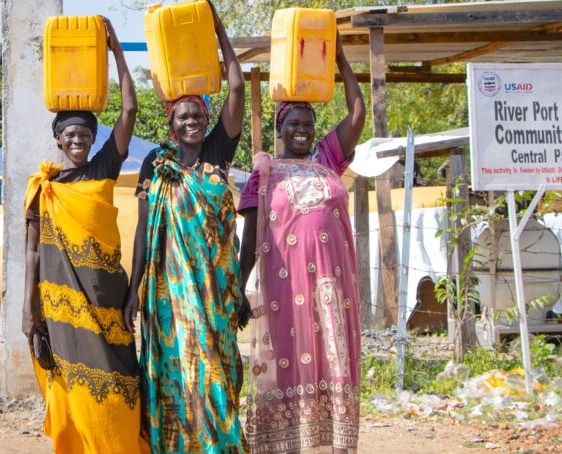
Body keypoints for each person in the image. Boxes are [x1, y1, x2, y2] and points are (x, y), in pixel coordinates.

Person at [123, 1, 249, 452]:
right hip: (166, 300)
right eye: (184, 116)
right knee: (176, 378)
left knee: (215, 379)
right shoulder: (155, 166)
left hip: (215, 295)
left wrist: (218, 29)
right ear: (172, 125)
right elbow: (141, 232)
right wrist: (134, 290)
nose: (193, 121)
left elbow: (235, 89)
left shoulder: (218, 156)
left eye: (198, 114)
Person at [237, 30, 366, 453]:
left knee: (333, 364)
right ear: (280, 128)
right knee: (289, 369)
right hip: (285, 289)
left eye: (309, 125)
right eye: (294, 124)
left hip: (332, 292)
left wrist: (341, 61)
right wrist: (238, 287)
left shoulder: (326, 158)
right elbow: (250, 235)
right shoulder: (264, 172)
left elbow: (357, 113)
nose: (303, 131)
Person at [22, 18, 143, 454]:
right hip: (61, 308)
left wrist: (115, 50)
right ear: (58, 138)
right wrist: (27, 309)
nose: (78, 139)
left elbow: (128, 111)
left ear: (95, 139)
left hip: (107, 301)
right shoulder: (45, 187)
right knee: (73, 390)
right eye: (70, 134)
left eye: (85, 134)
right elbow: (32, 251)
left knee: (119, 383)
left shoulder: (103, 168)